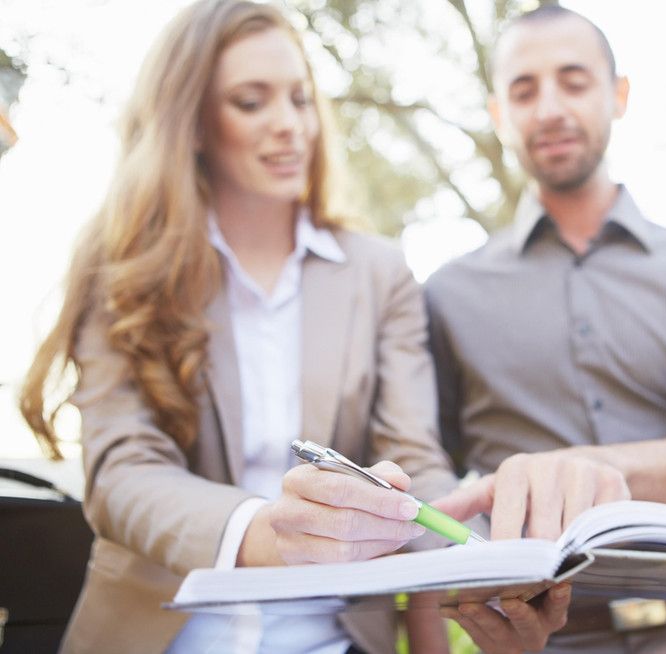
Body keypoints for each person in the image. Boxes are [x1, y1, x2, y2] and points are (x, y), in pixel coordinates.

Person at [17, 1, 572, 652]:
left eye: (301, 100)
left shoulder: (379, 273)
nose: (290, 126)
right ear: (191, 123)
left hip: (333, 637)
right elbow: (123, 474)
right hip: (158, 633)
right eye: (251, 102)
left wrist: (482, 566)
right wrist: (265, 531)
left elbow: (415, 463)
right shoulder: (126, 268)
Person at [426, 6, 666, 652]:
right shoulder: (446, 297)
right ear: (497, 114)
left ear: (618, 95)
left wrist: (584, 474)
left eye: (574, 81)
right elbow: (428, 476)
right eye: (523, 90)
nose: (549, 109)